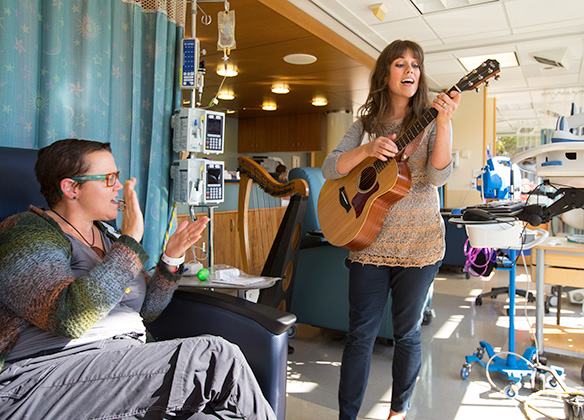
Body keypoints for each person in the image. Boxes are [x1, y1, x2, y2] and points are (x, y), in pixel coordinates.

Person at [0, 139, 277, 420]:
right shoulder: (26, 232)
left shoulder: (109, 236)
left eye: (117, 178)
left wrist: (172, 257)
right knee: (215, 357)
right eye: (109, 179)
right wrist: (131, 241)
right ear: (71, 188)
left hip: (120, 368)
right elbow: (68, 317)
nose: (118, 187)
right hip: (44, 378)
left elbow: (147, 310)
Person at [321, 40, 461, 420]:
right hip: (368, 243)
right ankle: (346, 416)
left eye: (415, 64)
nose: (410, 70)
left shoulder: (432, 120)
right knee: (360, 335)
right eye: (400, 63)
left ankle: (399, 412)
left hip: (419, 244)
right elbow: (331, 168)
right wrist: (367, 151)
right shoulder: (364, 125)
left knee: (408, 334)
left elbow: (436, 175)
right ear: (386, 74)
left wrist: (445, 124)